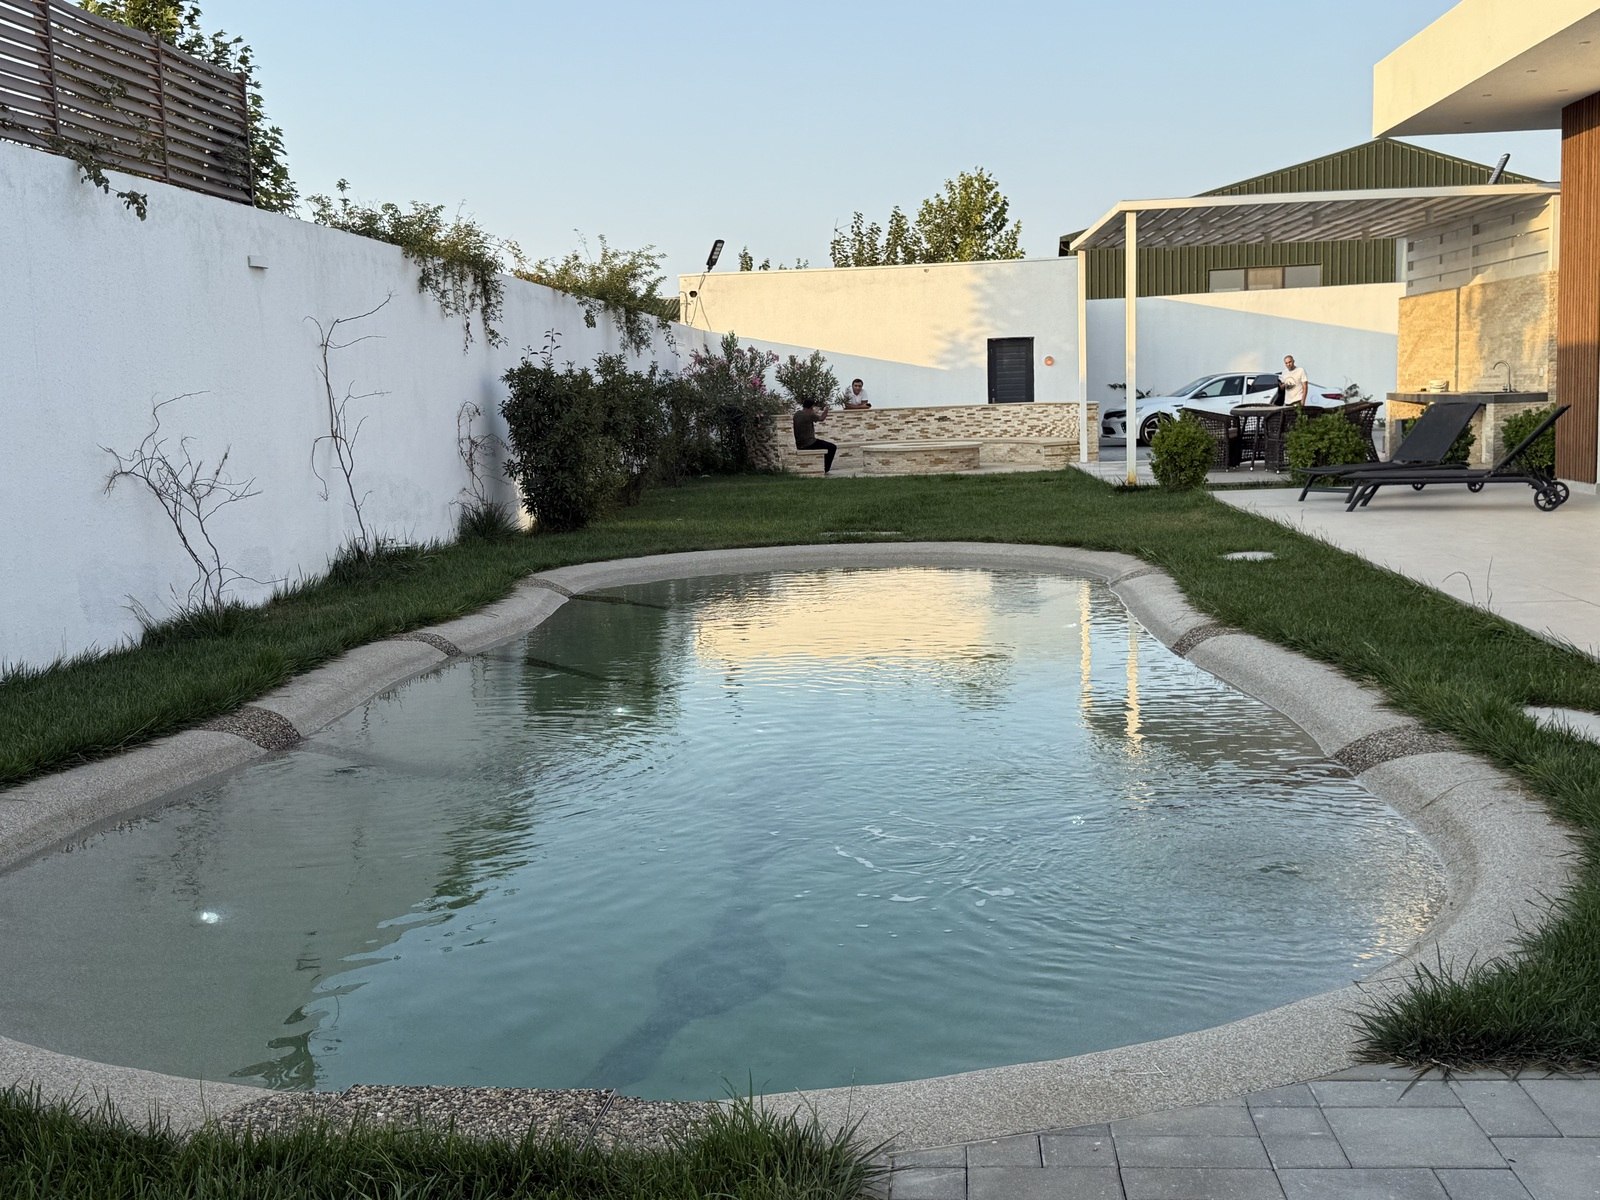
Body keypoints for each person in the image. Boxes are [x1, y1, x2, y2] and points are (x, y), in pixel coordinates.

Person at [792, 397, 837, 474]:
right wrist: (826, 410)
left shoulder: (797, 414)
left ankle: (823, 467)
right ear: (811, 406)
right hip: (810, 443)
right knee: (832, 447)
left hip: (799, 443)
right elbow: (821, 418)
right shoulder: (809, 414)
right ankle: (825, 469)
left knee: (825, 445)